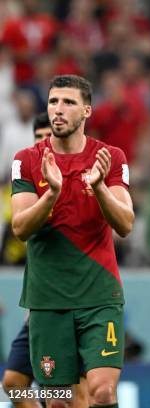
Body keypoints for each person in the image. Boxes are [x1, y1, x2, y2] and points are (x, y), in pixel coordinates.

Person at [10, 74, 134, 408]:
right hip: (48, 300)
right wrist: (51, 194)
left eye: (68, 102)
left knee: (103, 392)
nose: (58, 110)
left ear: (87, 111)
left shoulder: (110, 157)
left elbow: (125, 224)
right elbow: (20, 228)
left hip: (99, 295)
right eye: (53, 102)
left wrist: (100, 187)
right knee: (58, 401)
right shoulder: (26, 160)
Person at [2, 111, 89, 408]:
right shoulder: (27, 188)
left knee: (72, 392)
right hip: (41, 302)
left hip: (74, 301)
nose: (44, 143)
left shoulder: (76, 185)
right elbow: (22, 232)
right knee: (14, 383)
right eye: (38, 138)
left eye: (47, 137)